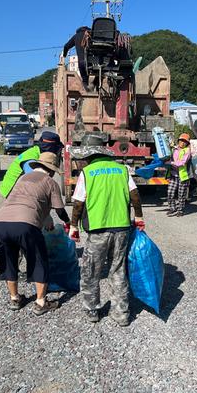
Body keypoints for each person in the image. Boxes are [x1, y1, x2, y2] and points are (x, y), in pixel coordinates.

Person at [69, 134, 145, 327]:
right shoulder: (122, 170)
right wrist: (138, 217)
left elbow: (78, 203)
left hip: (97, 230)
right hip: (121, 228)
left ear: (89, 155)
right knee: (118, 270)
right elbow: (135, 195)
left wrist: (74, 226)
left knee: (91, 271)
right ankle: (121, 314)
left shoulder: (87, 173)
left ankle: (92, 310)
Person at [0, 152, 71, 313]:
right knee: (38, 260)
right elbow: (60, 210)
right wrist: (68, 222)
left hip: (0, 221)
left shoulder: (23, 178)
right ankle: (41, 302)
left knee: (9, 259)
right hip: (25, 223)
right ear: (51, 170)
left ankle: (14, 299)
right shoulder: (50, 182)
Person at [0, 131, 64, 198]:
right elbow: (33, 180)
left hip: (12, 192)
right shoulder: (31, 159)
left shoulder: (36, 152)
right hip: (9, 193)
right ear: (50, 149)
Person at [167, 133, 192, 217]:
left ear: (187, 143)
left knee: (181, 195)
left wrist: (171, 163)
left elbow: (182, 163)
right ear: (178, 141)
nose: (183, 143)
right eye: (181, 140)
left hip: (183, 177)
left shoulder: (187, 151)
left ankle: (180, 210)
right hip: (173, 175)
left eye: (185, 141)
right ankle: (172, 208)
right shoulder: (174, 149)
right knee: (170, 192)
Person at [62, 26, 91, 90]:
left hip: (81, 62)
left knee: (85, 79)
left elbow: (66, 46)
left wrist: (64, 55)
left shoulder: (76, 36)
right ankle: (95, 84)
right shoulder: (90, 35)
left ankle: (86, 86)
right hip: (92, 62)